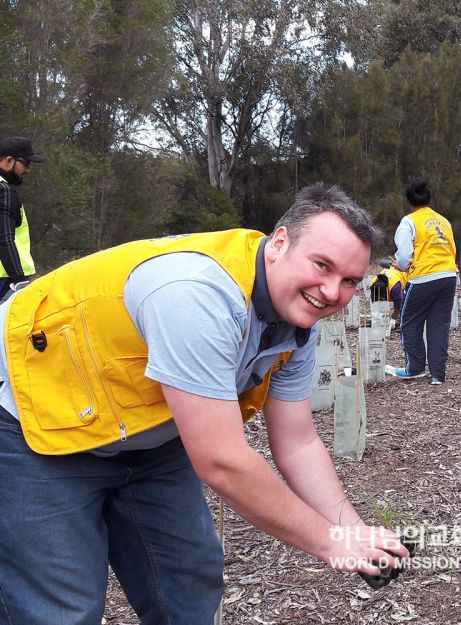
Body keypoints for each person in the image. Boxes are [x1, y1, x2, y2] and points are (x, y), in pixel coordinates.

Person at [0, 183, 409, 624]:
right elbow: (222, 460)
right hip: (38, 427)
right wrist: (331, 543)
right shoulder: (197, 296)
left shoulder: (297, 323)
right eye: (322, 265)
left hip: (147, 433)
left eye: (349, 280)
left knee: (189, 582)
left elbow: (298, 441)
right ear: (279, 242)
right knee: (61, 608)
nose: (332, 292)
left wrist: (352, 530)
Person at [391, 178, 458, 384]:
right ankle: (438, 374)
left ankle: (415, 368)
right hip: (448, 275)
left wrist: (401, 267)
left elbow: (403, 256)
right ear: (428, 199)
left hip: (423, 277)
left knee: (409, 321)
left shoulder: (409, 221)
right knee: (439, 325)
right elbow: (452, 248)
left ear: (409, 201)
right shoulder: (443, 221)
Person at [0, 136, 44, 294]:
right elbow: (4, 239)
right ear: (8, 161)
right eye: (26, 162)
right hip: (7, 278)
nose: (28, 169)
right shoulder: (4, 191)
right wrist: (19, 281)